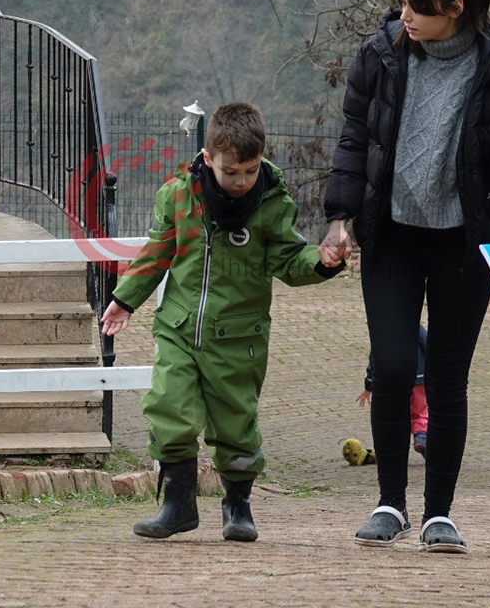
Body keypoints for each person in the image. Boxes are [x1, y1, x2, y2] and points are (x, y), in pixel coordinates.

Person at [322, 0, 490, 554]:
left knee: (447, 379)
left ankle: (438, 514)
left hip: (463, 246)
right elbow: (352, 139)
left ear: (454, 6)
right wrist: (340, 218)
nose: (404, 18)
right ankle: (389, 503)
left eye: (416, 8)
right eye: (401, 5)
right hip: (391, 238)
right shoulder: (381, 55)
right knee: (392, 368)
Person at [101, 102, 346, 543]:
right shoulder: (178, 195)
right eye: (231, 171)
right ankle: (177, 505)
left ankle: (238, 505)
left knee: (236, 423)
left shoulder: (273, 206)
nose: (240, 181)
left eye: (249, 172)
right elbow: (158, 253)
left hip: (239, 338)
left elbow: (290, 261)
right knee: (168, 406)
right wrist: (124, 301)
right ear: (209, 157)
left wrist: (324, 263)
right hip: (179, 329)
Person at [344, 324, 429, 465]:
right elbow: (426, 343)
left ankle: (393, 449)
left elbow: (375, 357)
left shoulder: (383, 326)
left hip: (394, 378)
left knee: (396, 413)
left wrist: (369, 384)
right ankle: (421, 436)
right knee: (420, 411)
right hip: (419, 377)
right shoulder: (415, 325)